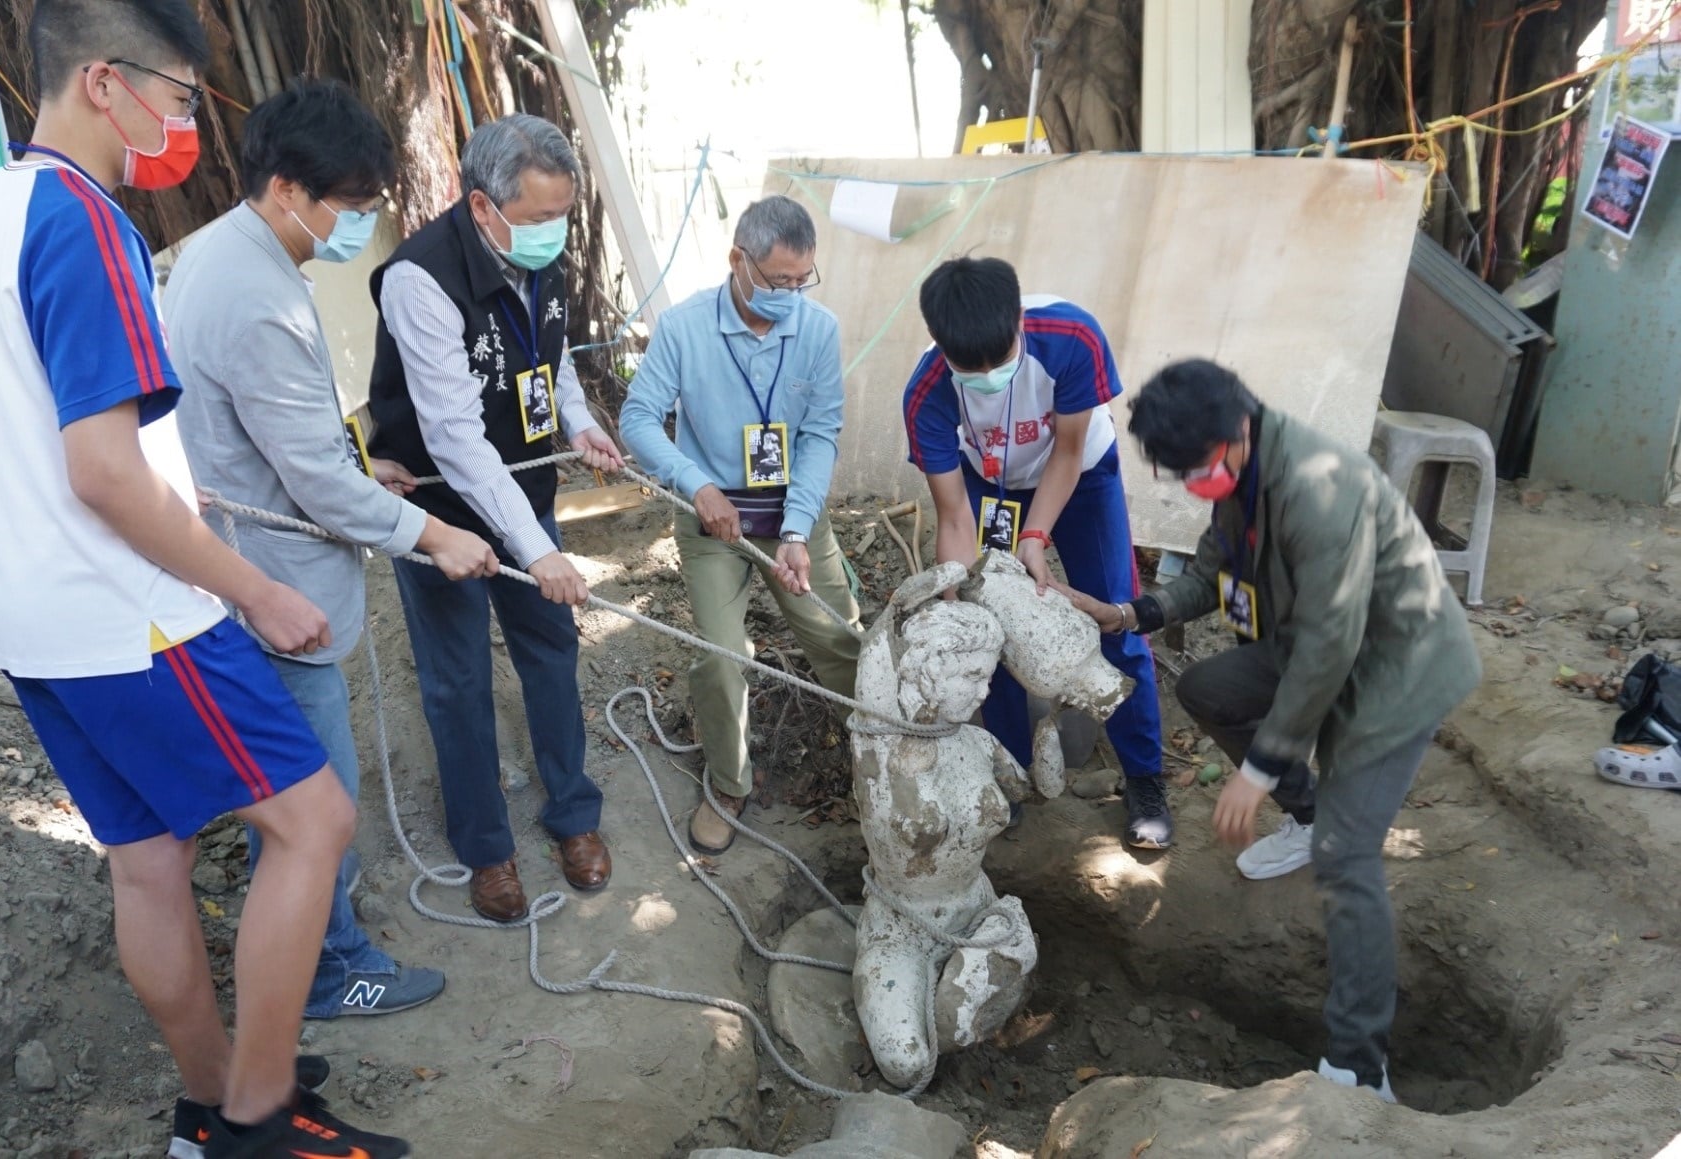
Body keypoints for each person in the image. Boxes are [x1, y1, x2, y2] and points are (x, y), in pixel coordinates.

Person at [0, 3, 406, 1156]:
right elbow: (103, 474)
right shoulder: (88, 223)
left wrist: (117, 471)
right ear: (103, 82)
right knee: (314, 820)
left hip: (30, 617)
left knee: (148, 863)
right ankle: (257, 1121)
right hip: (132, 613)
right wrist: (255, 588)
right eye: (177, 98)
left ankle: (209, 1100)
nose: (183, 125)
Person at [165, 80, 499, 1021]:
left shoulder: (227, 253)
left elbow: (284, 438)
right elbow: (310, 478)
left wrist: (362, 465)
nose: (358, 223)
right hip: (277, 591)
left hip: (260, 559)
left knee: (294, 800)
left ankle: (316, 951)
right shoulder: (252, 296)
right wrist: (437, 533)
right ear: (286, 187)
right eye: (350, 205)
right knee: (318, 808)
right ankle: (327, 970)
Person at [1078, 358, 1480, 1100]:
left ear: (1236, 430)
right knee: (1207, 688)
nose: (1190, 483)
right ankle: (1309, 809)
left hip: (1393, 672)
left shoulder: (1320, 489)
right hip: (1308, 650)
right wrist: (1131, 613)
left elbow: (1331, 645)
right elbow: (1211, 575)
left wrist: (1258, 769)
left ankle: (1359, 1069)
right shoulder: (1242, 470)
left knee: (1346, 859)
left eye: (1193, 468)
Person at [367, 113, 620, 922]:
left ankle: (572, 813)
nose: (555, 231)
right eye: (539, 217)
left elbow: (551, 353)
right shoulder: (419, 279)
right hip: (439, 509)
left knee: (551, 648)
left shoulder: (538, 252)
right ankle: (486, 847)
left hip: (525, 488)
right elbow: (453, 435)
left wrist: (577, 422)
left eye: (562, 215)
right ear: (482, 206)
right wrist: (537, 551)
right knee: (458, 680)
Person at [902, 257, 1171, 849]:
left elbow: (1068, 453)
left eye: (999, 361)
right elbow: (954, 515)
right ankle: (1011, 774)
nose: (987, 376)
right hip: (988, 486)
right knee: (988, 629)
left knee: (1116, 617)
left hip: (1082, 475)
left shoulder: (1071, 336)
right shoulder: (926, 393)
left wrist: (1035, 536)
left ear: (1018, 321)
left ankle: (1144, 778)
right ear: (941, 346)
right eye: (969, 369)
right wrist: (956, 601)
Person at [619, 195, 859, 854]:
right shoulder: (684, 327)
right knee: (723, 656)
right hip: (713, 519)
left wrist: (797, 529)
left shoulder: (818, 329)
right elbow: (638, 417)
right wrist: (696, 485)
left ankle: (881, 751)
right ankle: (728, 784)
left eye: (801, 280)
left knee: (840, 637)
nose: (791, 295)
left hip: (792, 510)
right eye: (778, 280)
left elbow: (819, 434)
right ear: (738, 260)